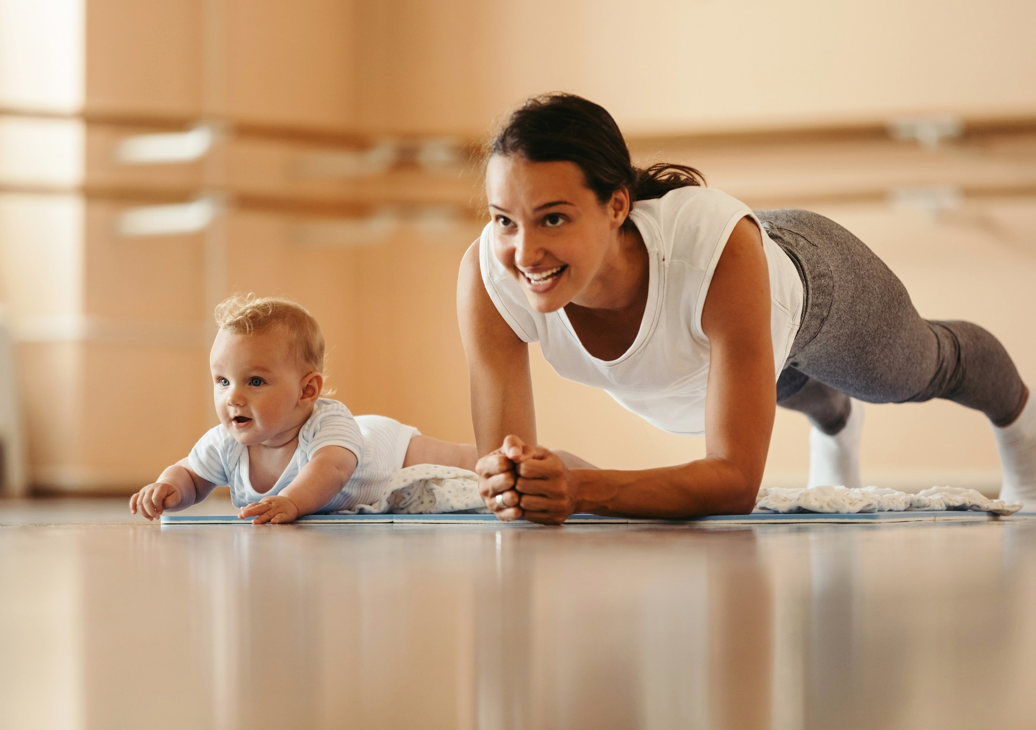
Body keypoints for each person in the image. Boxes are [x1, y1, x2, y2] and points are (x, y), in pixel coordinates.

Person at [457, 93, 1036, 525]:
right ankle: (835, 421)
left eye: (553, 218)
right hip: (725, 340)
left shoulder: (713, 250)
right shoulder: (489, 278)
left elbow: (735, 481)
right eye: (504, 219)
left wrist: (581, 489)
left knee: (916, 370)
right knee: (781, 381)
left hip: (813, 286)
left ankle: (1023, 425)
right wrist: (515, 482)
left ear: (616, 206)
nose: (524, 251)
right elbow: (504, 471)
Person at [129, 294, 478, 524]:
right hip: (356, 455)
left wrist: (291, 501)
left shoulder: (327, 424)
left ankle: (512, 456)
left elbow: (332, 470)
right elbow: (191, 474)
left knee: (462, 461)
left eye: (254, 382)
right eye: (222, 381)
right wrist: (169, 489)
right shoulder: (226, 443)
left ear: (307, 390)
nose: (232, 397)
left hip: (381, 449)